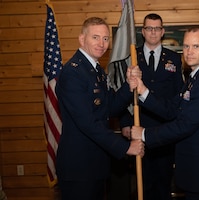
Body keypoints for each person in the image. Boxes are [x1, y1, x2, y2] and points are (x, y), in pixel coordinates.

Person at [131, 26, 199, 200]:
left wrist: (145, 134)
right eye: (186, 46)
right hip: (193, 170)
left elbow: (185, 125)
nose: (189, 52)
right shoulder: (195, 78)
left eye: (196, 46)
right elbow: (171, 109)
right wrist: (143, 90)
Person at [55, 17, 144, 200]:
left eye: (105, 39)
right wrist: (125, 147)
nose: (101, 43)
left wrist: (129, 85)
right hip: (79, 167)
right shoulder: (73, 73)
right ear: (82, 39)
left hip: (95, 164)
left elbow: (109, 108)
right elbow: (87, 123)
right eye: (95, 37)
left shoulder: (96, 71)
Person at [119, 13, 184, 200]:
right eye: (149, 28)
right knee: (143, 183)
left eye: (157, 28)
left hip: (165, 128)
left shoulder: (174, 58)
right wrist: (125, 122)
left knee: (163, 182)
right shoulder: (132, 57)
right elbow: (123, 92)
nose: (153, 32)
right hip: (140, 126)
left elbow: (177, 94)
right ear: (143, 31)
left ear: (162, 31)